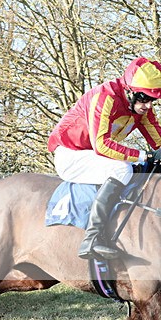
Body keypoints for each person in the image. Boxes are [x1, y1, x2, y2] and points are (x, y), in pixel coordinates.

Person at [48, 57, 161, 260]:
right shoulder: (105, 97)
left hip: (93, 155)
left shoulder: (140, 108)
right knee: (123, 169)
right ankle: (92, 238)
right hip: (71, 154)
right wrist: (143, 155)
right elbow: (101, 145)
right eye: (144, 98)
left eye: (153, 99)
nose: (148, 105)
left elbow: (158, 141)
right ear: (130, 91)